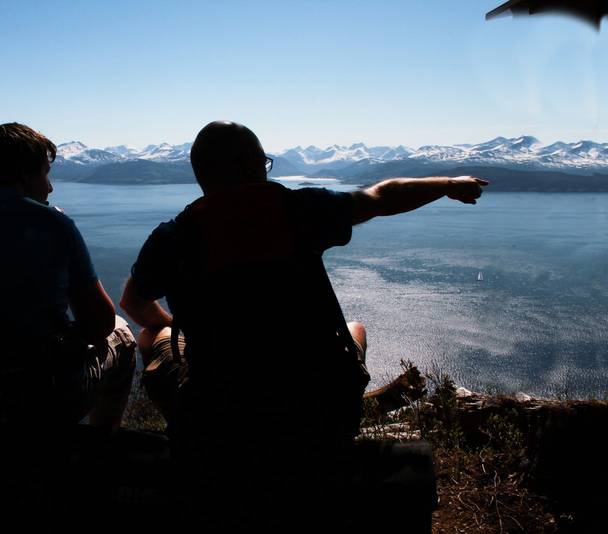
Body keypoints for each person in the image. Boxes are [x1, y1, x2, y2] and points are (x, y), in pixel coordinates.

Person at [120, 120, 487, 525]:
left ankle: (188, 439)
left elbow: (133, 304)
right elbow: (381, 196)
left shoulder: (174, 237)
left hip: (218, 415)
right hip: (319, 413)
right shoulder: (299, 210)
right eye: (264, 162)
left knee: (153, 335)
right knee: (356, 330)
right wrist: (447, 184)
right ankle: (326, 438)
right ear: (249, 166)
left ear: (202, 174)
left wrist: (184, 331)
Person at [0, 122, 135, 431]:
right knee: (122, 334)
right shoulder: (52, 224)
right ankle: (100, 444)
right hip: (35, 402)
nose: (50, 187)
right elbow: (101, 323)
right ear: (23, 175)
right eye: (45, 173)